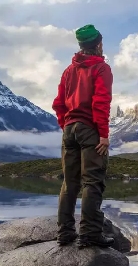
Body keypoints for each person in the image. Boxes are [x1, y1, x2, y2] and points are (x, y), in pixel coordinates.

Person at [52, 24, 115, 249]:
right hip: (90, 129)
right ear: (98, 44)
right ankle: (89, 235)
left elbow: (58, 104)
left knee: (69, 183)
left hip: (69, 130)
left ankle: (65, 233)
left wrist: (66, 124)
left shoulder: (69, 71)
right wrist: (103, 135)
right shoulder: (101, 68)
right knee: (92, 182)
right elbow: (101, 102)